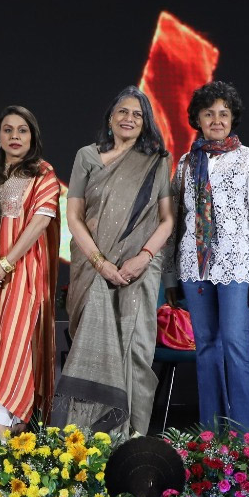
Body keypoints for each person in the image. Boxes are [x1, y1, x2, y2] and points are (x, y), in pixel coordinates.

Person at [52, 86, 175, 437]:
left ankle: (132, 438)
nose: (129, 119)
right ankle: (88, 438)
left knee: (136, 349)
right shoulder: (87, 157)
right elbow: (73, 216)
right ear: (110, 118)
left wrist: (143, 257)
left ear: (145, 122)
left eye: (137, 114)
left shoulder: (157, 160)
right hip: (93, 269)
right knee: (92, 348)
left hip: (139, 269)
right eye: (123, 112)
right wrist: (100, 262)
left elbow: (167, 219)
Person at [170, 80, 249, 434]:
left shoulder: (248, 160)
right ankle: (211, 436)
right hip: (194, 267)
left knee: (235, 342)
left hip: (237, 266)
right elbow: (176, 223)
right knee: (206, 347)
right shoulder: (186, 163)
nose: (217, 120)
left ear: (233, 119)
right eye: (209, 113)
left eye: (224, 114)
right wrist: (170, 276)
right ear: (197, 119)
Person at [0, 106, 62, 439]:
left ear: (32, 136)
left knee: (15, 340)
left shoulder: (43, 173)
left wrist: (7, 262)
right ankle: (13, 420)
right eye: (8, 130)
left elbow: (40, 221)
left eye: (22, 130)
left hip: (23, 269)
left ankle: (2, 426)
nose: (15, 136)